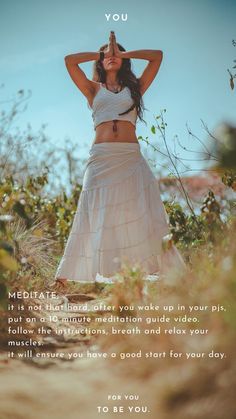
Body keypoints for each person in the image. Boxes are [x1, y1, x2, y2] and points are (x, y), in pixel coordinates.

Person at [54, 31, 185, 285]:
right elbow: (70, 60)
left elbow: (157, 57)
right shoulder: (93, 89)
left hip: (130, 157)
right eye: (107, 55)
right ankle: (66, 277)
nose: (111, 56)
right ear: (100, 61)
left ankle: (147, 272)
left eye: (117, 54)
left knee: (140, 211)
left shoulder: (134, 88)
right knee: (91, 212)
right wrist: (103, 52)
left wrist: (121, 53)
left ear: (124, 61)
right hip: (101, 159)